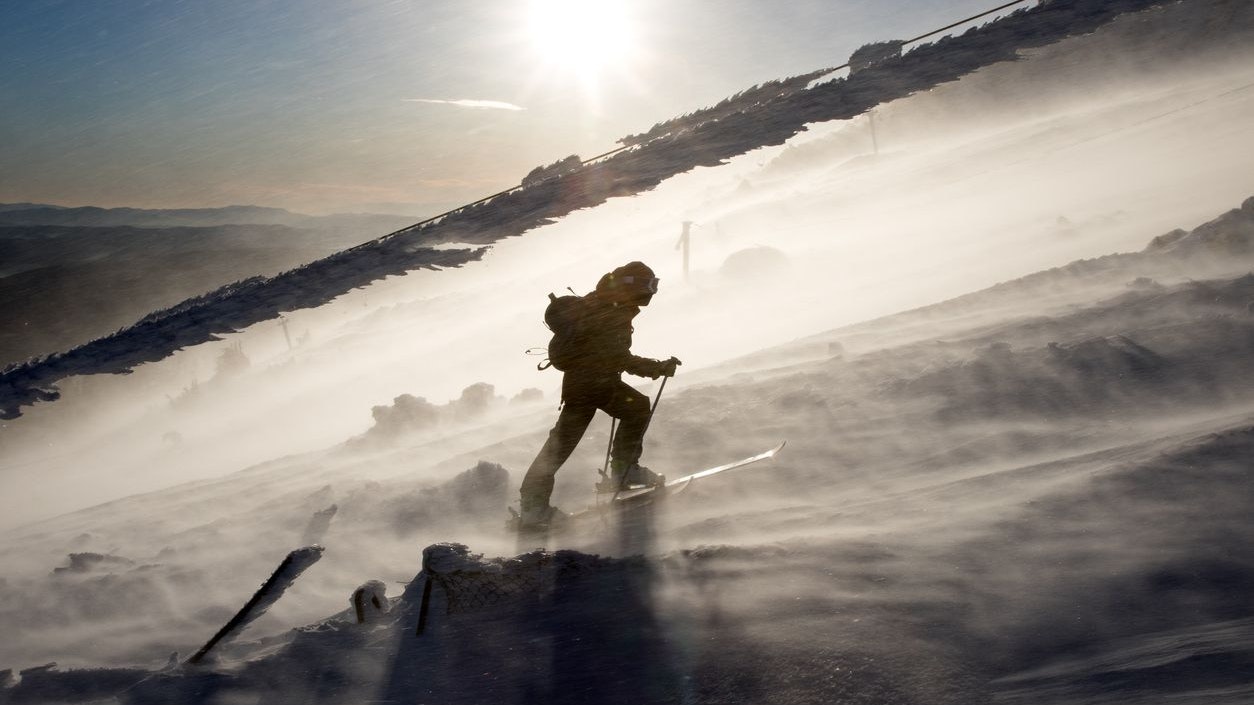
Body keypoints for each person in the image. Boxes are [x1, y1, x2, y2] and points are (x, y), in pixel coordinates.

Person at [518, 261, 681, 528]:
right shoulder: (611, 310)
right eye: (649, 285)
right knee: (566, 443)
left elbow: (612, 355)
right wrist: (657, 368)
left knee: (630, 410)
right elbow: (619, 358)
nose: (652, 291)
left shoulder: (605, 303)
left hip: (587, 384)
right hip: (591, 385)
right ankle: (621, 473)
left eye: (655, 285)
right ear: (632, 285)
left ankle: (535, 505)